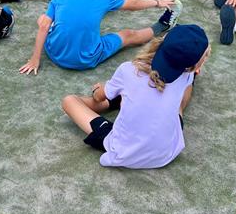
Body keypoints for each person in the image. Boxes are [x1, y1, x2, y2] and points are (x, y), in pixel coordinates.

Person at [61, 24, 210, 169]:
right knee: (178, 104)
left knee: (70, 101)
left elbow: (99, 96)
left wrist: (98, 89)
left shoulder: (128, 70)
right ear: (196, 65)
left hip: (122, 151)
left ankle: (112, 103)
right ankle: (117, 101)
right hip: (166, 152)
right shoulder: (186, 75)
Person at [19, 0, 182, 74]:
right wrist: (158, 2)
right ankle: (163, 25)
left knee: (44, 19)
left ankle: (55, 42)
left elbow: (44, 26)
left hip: (54, 52)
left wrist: (35, 60)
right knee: (127, 35)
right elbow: (132, 4)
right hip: (85, 59)